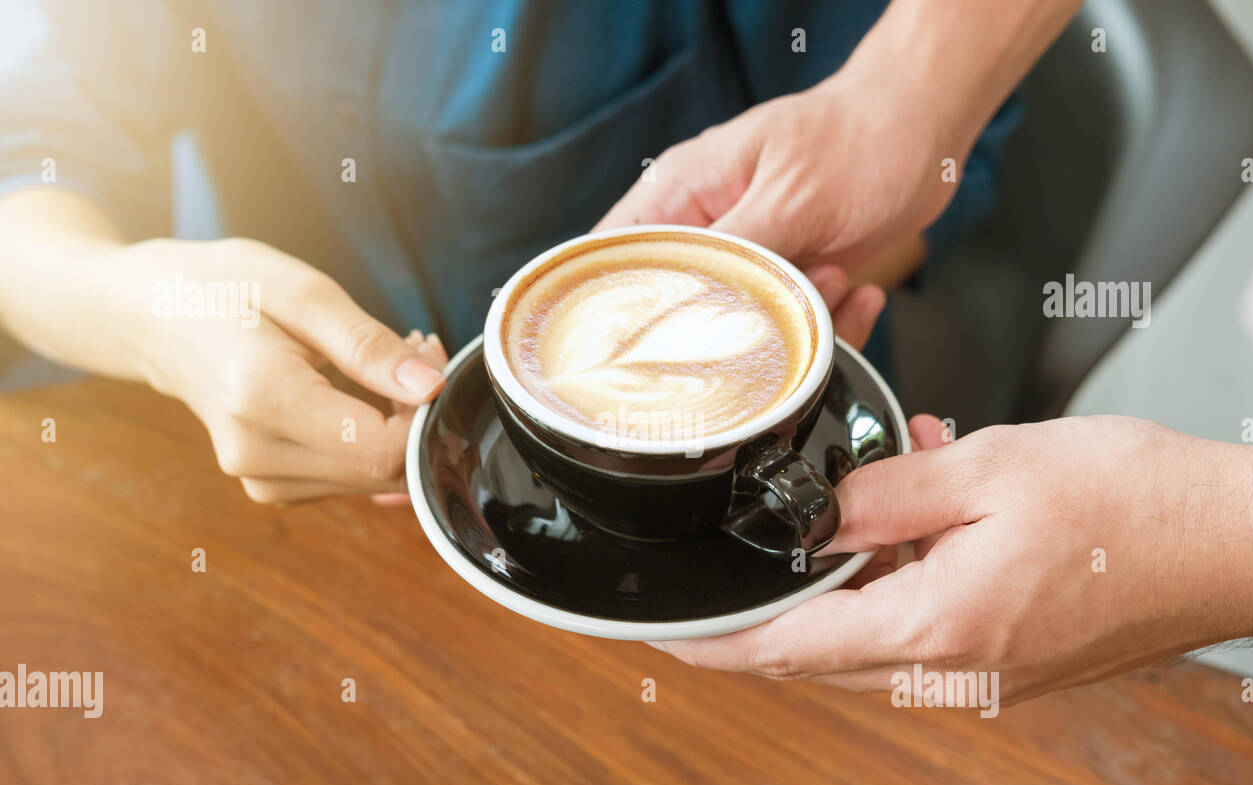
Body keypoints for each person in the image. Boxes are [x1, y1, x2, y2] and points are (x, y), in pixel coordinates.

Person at [0, 0, 1066, 503]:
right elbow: (28, 157)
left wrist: (759, 306)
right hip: (290, 520)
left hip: (729, 509)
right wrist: (138, 308)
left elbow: (917, 174)